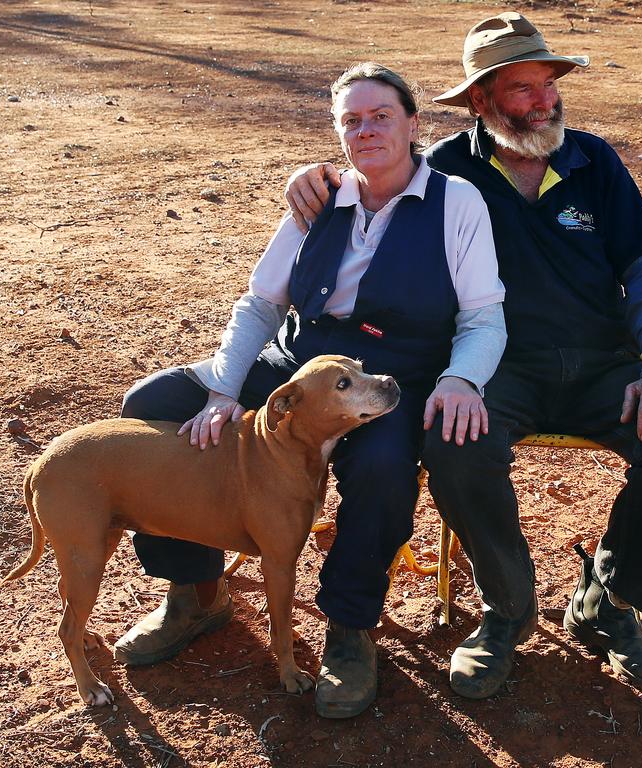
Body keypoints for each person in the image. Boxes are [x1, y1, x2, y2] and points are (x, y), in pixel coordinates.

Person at [284, 13, 642, 701]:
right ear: (482, 100)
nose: (545, 100)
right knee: (454, 443)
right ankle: (507, 611)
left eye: (547, 84)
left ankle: (607, 604)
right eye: (522, 89)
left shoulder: (593, 162)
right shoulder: (449, 169)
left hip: (605, 364)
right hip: (499, 367)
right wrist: (313, 181)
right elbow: (372, 179)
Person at [113, 62, 506, 719]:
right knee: (151, 406)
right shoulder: (318, 197)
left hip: (389, 377)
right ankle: (195, 589)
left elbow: (484, 315)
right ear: (337, 133)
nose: (366, 129)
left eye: (381, 115)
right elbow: (261, 302)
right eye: (350, 120)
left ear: (414, 125)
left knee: (382, 468)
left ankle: (350, 630)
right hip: (300, 365)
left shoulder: (456, 203)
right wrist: (223, 388)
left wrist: (462, 378)